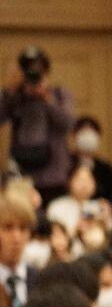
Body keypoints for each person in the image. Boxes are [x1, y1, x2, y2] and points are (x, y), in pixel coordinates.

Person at [2, 47, 76, 201]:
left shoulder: (60, 95)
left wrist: (47, 99)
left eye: (38, 69)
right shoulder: (15, 96)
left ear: (46, 71)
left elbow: (68, 124)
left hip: (54, 176)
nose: (33, 74)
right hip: (22, 174)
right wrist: (10, 91)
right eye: (28, 70)